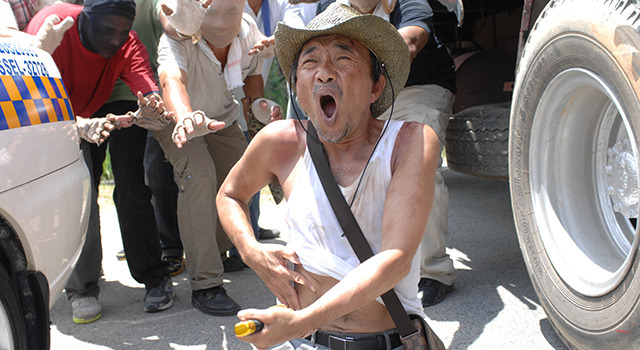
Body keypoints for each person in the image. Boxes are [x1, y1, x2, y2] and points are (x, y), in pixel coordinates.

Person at [216, 4, 439, 349]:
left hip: (383, 342)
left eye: (343, 59)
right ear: (298, 88)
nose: (323, 73)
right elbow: (230, 195)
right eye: (310, 62)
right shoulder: (281, 141)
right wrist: (251, 252)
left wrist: (298, 323)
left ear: (375, 87)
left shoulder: (410, 142)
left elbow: (395, 261)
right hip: (300, 341)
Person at [25, 0, 175, 324]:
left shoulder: (126, 40)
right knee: (80, 195)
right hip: (52, 116)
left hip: (111, 103)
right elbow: (34, 103)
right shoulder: (55, 29)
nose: (114, 39)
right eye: (107, 30)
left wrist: (153, 106)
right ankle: (82, 288)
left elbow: (144, 86)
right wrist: (78, 125)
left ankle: (153, 275)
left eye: (123, 31)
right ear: (85, 19)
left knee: (132, 186)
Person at [315, 0, 458, 306]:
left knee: (419, 161)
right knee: (345, 161)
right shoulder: (330, 5)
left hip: (418, 85)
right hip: (361, 89)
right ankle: (360, 260)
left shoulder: (408, 2)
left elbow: (410, 40)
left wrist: (369, 71)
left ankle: (433, 270)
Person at [151, 0, 281, 316]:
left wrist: (260, 109)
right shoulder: (176, 38)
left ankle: (224, 249)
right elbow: (172, 81)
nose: (223, 23)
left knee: (242, 173)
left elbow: (251, 78)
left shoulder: (249, 32)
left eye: (231, 12)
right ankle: (206, 284)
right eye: (214, 13)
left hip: (222, 116)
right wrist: (184, 116)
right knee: (200, 177)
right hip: (178, 121)